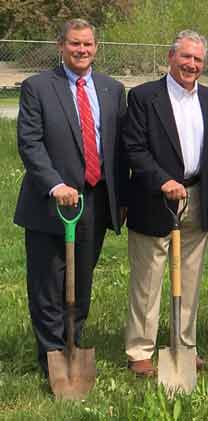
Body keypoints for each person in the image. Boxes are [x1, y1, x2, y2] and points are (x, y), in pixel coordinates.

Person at [15, 18, 128, 377]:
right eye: (75, 44)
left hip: (94, 202)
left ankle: (73, 343)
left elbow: (119, 150)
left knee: (81, 282)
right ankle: (51, 357)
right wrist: (54, 184)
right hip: (51, 203)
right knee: (48, 284)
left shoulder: (112, 89)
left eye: (88, 44)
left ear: (96, 47)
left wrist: (121, 197)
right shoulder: (38, 87)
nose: (82, 50)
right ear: (60, 46)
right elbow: (30, 143)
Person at [122, 30, 208, 377]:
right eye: (185, 57)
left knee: (191, 278)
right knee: (148, 278)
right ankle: (140, 350)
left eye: (198, 59)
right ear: (171, 58)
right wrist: (162, 180)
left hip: (197, 196)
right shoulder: (143, 97)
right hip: (154, 199)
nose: (191, 65)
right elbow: (134, 148)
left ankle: (184, 346)